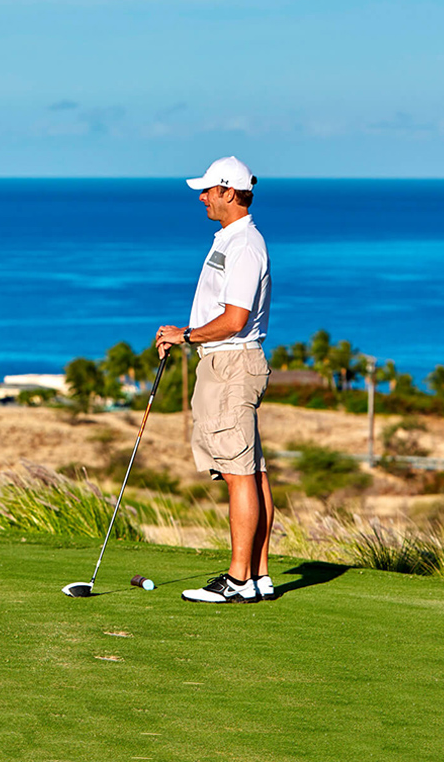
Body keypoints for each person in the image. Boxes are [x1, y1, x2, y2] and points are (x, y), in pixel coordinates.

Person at [155, 156, 274, 604]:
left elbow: (235, 319)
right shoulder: (232, 239)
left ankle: (239, 580)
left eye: (208, 190)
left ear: (228, 192)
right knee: (252, 472)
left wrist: (186, 336)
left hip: (230, 367)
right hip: (229, 364)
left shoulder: (244, 244)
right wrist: (186, 333)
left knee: (240, 474)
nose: (202, 197)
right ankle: (258, 576)